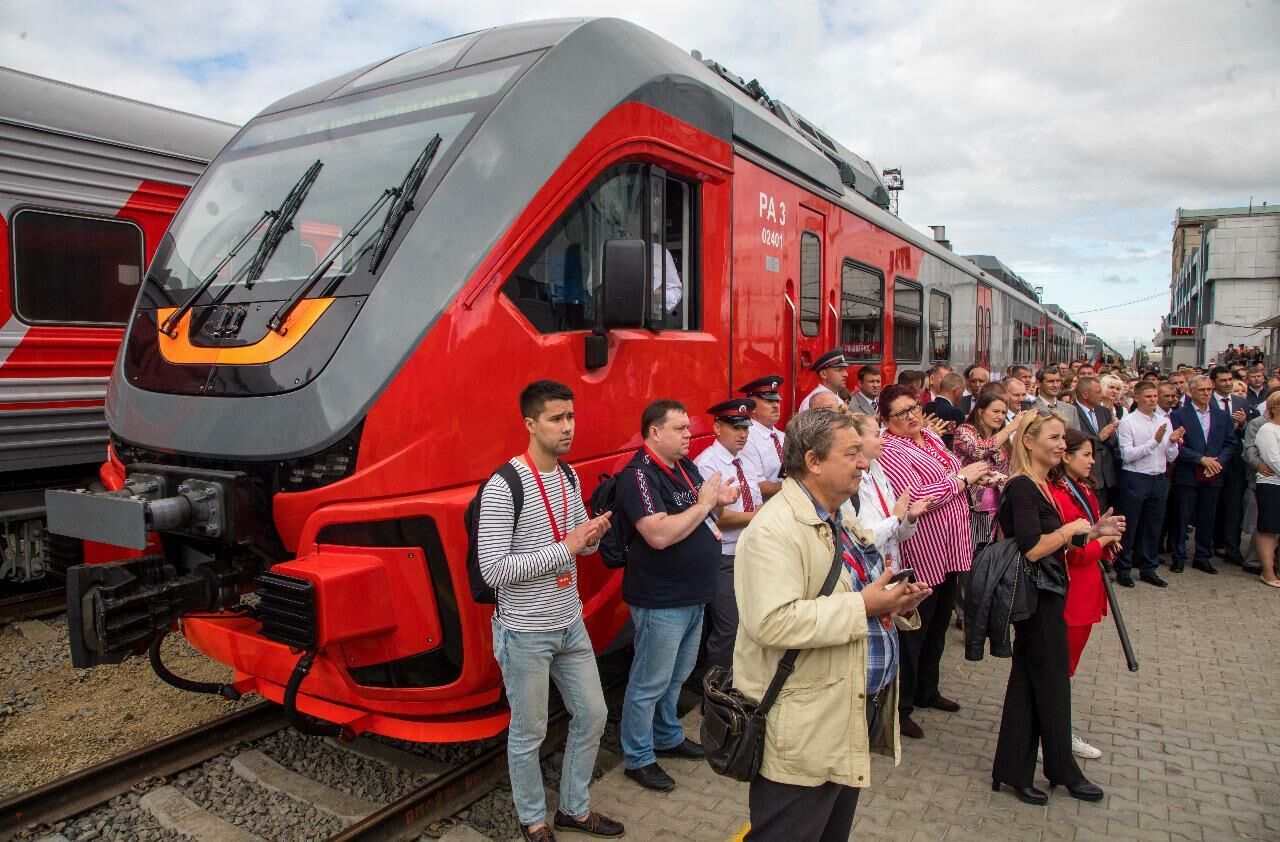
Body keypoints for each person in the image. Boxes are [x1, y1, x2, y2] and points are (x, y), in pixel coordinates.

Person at [733, 408, 931, 841]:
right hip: (804, 723)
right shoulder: (774, 530)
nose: (865, 462)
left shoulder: (836, 513)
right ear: (813, 461)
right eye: (853, 453)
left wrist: (892, 604)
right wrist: (863, 605)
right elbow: (771, 622)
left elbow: (854, 590)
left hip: (840, 711)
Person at [477, 380, 622, 842]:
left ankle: (574, 809)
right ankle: (533, 820)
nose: (568, 428)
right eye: (557, 419)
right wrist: (568, 547)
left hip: (568, 622)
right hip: (524, 631)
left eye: (571, 417)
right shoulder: (504, 486)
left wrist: (591, 536)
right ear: (530, 424)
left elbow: (575, 544)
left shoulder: (569, 476)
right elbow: (493, 569)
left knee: (593, 714)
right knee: (529, 732)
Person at [990, 411, 1121, 807]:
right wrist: (1072, 530)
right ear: (1028, 442)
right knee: (1051, 687)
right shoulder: (1023, 487)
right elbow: (1031, 546)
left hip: (1048, 594)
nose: (1062, 444)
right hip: (1038, 600)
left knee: (1030, 686)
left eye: (1064, 437)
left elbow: (1053, 541)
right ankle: (1062, 770)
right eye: (1054, 437)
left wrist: (1092, 532)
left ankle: (1014, 771)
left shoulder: (1042, 484)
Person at [614, 400, 739, 792]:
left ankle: (666, 736)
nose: (690, 434)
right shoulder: (639, 476)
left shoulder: (683, 468)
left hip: (692, 593)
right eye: (681, 428)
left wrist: (713, 504)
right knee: (649, 680)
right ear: (655, 432)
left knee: (676, 676)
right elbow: (659, 533)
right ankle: (637, 757)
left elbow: (698, 517)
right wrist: (705, 504)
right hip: (661, 599)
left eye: (689, 427)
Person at [878, 385, 991, 739]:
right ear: (886, 420)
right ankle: (902, 706)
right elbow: (916, 496)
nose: (911, 416)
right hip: (924, 546)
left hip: (951, 543)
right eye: (901, 413)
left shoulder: (929, 435)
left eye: (914, 407)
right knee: (916, 629)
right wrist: (960, 480)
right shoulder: (891, 450)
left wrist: (972, 478)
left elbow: (950, 476)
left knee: (940, 623)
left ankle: (929, 688)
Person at [1049, 429, 1122, 761]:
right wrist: (1103, 539)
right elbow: (1074, 552)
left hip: (1086, 589)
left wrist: (1106, 538)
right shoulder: (1061, 495)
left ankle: (1054, 727)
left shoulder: (1082, 489)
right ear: (1066, 456)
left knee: (1066, 667)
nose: (1093, 461)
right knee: (1058, 668)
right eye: (1087, 455)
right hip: (1070, 593)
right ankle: (1052, 732)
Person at [693, 399, 764, 669]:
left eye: (745, 427)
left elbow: (755, 499)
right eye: (735, 427)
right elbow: (715, 517)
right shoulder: (708, 464)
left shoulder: (744, 461)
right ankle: (716, 695)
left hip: (751, 551)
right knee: (728, 628)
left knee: (752, 623)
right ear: (717, 428)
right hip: (725, 557)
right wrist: (757, 519)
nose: (742, 434)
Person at [1114, 381, 1183, 587]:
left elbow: (1170, 457)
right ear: (1137, 398)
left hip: (1158, 478)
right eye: (1148, 396)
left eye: (1155, 396)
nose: (1153, 400)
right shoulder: (1129, 422)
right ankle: (1123, 568)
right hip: (1135, 477)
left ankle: (1148, 568)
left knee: (1153, 526)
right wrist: (1154, 441)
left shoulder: (1164, 421)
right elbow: (1127, 455)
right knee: (1130, 526)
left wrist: (1171, 442)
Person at [1168, 376, 1236, 574]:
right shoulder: (1179, 415)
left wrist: (1216, 462)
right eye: (1202, 390)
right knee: (1182, 517)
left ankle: (1202, 556)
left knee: (1207, 517)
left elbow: (1230, 444)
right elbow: (1176, 445)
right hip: (1188, 474)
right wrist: (1200, 459)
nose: (1206, 393)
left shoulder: (1222, 415)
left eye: (1209, 390)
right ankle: (1178, 556)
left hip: (1213, 473)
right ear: (1191, 392)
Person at [847, 412, 927, 568]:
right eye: (877, 435)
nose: (883, 440)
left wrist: (909, 518)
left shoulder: (878, 470)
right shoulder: (848, 482)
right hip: (868, 576)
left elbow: (895, 535)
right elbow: (863, 540)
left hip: (891, 569)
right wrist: (895, 518)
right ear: (858, 440)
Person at [1209, 365, 1252, 567]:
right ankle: (1212, 543)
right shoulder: (1206, 401)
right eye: (1223, 380)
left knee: (1233, 506)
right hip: (1213, 459)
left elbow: (1248, 434)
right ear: (1214, 382)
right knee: (1213, 505)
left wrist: (1242, 424)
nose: (1227, 384)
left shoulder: (1240, 401)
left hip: (1235, 462)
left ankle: (1232, 547)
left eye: (1229, 380)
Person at [953, 393, 1017, 526]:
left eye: (1003, 413)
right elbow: (978, 451)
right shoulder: (965, 430)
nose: (1000, 417)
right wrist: (1011, 428)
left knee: (996, 546)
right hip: (974, 507)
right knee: (980, 545)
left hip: (999, 507)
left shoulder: (1001, 438)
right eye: (995, 411)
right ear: (981, 411)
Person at [1072, 377, 1120, 511]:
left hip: (1107, 476)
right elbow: (1076, 442)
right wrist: (1099, 438)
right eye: (1098, 392)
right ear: (1085, 395)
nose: (1102, 395)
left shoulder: (1103, 411)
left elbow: (1113, 441)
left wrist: (1110, 434)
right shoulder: (1072, 412)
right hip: (1087, 473)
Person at [739, 375, 786, 500]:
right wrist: (795, 485)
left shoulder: (781, 436)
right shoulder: (747, 438)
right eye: (769, 401)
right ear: (752, 408)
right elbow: (758, 487)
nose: (776, 405)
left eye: (777, 401)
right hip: (765, 509)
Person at [1251, 390, 1280, 588]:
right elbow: (1273, 460)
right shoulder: (1267, 429)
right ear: (1273, 408)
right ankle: (1268, 573)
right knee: (1269, 529)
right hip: (1271, 486)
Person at [924, 372, 966, 449]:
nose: (962, 395)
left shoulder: (926, 407)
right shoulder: (956, 413)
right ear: (957, 390)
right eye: (963, 391)